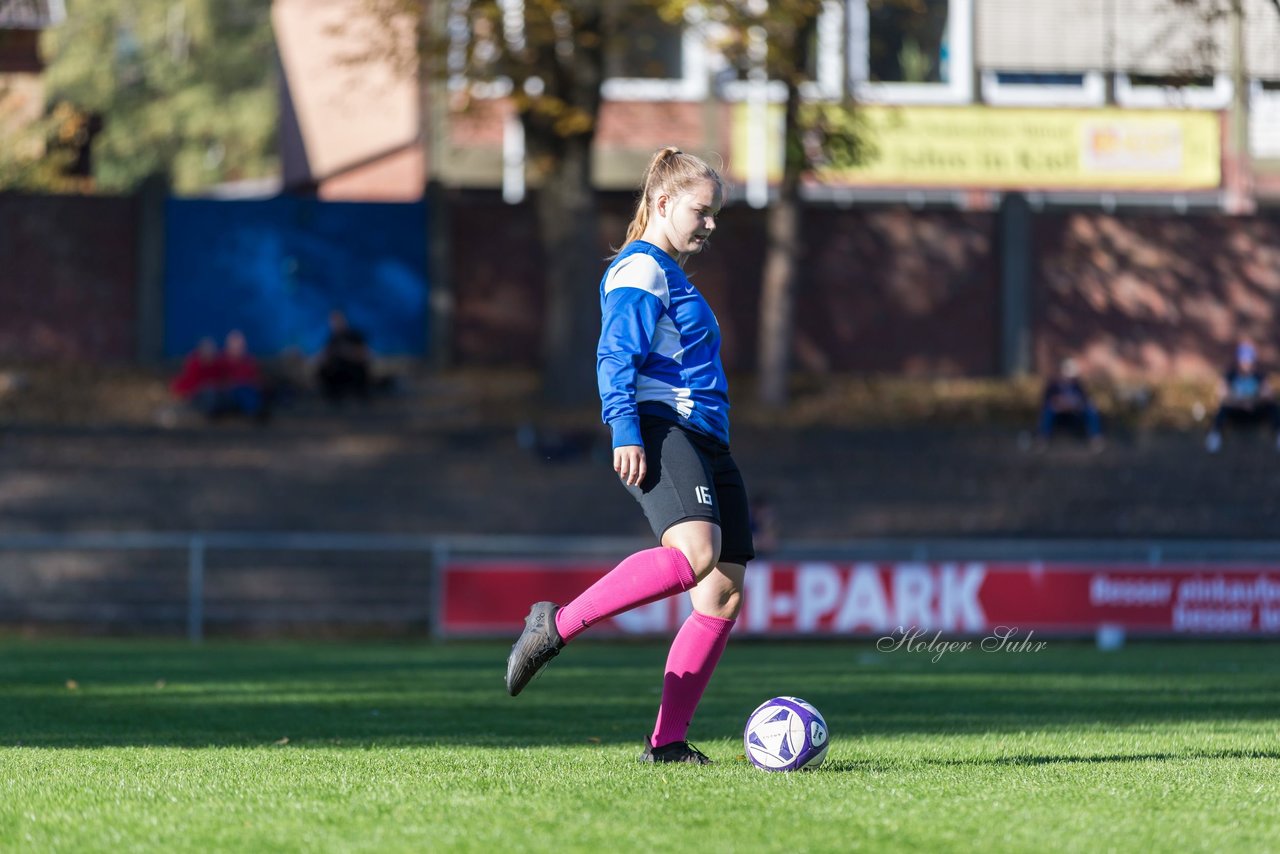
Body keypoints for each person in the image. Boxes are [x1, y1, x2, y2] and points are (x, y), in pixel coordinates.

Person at [505, 147, 749, 765]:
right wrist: (625, 429)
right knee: (694, 556)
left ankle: (666, 745)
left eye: (716, 213)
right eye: (703, 211)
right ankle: (554, 626)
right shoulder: (642, 268)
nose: (711, 224)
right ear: (662, 203)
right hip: (664, 426)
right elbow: (615, 355)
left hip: (709, 439)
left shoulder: (673, 272)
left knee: (720, 594)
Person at [1205, 338, 1280, 453]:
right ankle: (1215, 436)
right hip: (1237, 412)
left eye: (1249, 360)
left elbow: (1268, 394)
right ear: (1238, 361)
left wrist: (1253, 401)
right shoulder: (1230, 376)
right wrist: (1240, 402)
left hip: (1254, 411)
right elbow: (1222, 395)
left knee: (1273, 407)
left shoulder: (1259, 376)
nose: (1246, 363)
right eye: (1243, 360)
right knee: (1222, 409)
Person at [1037, 358, 1103, 450]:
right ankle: (1043, 439)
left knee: (1091, 410)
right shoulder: (1053, 385)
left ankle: (1095, 438)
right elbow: (1046, 400)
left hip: (1074, 414)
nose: (1069, 378)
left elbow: (1084, 399)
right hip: (1058, 415)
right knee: (1048, 410)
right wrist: (1058, 403)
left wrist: (1077, 404)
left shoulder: (1077, 385)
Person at [316, 310, 372, 405]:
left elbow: (366, 353)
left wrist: (348, 352)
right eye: (333, 322)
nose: (335, 324)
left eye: (338, 320)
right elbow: (325, 353)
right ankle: (334, 399)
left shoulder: (354, 335)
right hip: (338, 370)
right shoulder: (332, 338)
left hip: (353, 368)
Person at [170, 337, 223, 418]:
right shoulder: (195, 365)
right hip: (196, 397)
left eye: (211, 352)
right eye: (207, 351)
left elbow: (220, 381)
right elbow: (186, 382)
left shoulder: (216, 366)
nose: (209, 354)